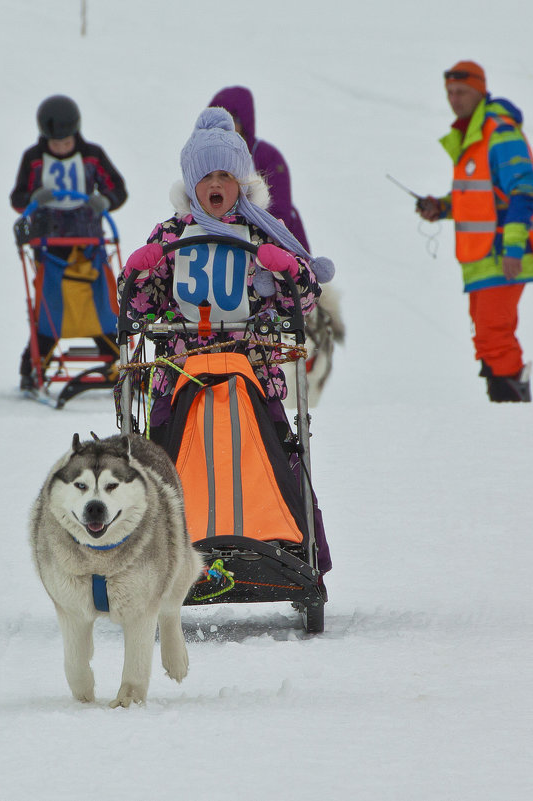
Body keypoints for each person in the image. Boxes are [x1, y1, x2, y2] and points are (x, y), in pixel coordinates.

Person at [121, 107, 331, 575]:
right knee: (165, 463)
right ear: (191, 184)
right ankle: (157, 551)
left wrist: (290, 269)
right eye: (206, 176)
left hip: (252, 369)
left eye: (226, 175)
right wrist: (138, 270)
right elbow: (136, 308)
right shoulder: (171, 233)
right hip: (179, 373)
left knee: (276, 455)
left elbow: (306, 300)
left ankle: (289, 543)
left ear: (241, 182)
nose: (216, 185)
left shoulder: (261, 232)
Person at [416, 60, 533, 402]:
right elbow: (479, 200)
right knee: (487, 337)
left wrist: (514, 249)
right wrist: (440, 207)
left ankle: (513, 412)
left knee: (495, 336)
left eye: (461, 92)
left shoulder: (499, 130)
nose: (454, 100)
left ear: (479, 91)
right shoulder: (472, 134)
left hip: (503, 255)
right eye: (450, 93)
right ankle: (505, 411)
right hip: (481, 258)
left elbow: (524, 191)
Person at [10, 94, 128, 391]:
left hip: (89, 245)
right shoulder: (33, 159)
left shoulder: (92, 155)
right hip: (50, 248)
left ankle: (119, 362)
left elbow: (118, 190)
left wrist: (105, 201)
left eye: (66, 142)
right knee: (51, 311)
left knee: (102, 308)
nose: (61, 148)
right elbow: (17, 198)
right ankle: (33, 367)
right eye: (55, 143)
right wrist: (33, 199)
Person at [208, 86, 309, 251]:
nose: (222, 125)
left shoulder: (266, 156)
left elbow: (280, 209)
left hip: (269, 243)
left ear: (243, 121)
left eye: (231, 118)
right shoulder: (206, 156)